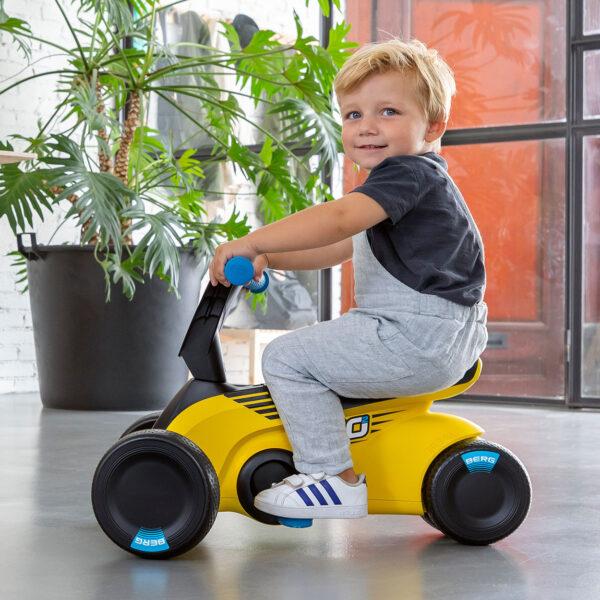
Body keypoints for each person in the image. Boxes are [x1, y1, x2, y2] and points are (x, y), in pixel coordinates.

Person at [208, 39, 488, 521]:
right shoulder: (402, 189)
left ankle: (331, 477)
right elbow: (338, 248)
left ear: (434, 126)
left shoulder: (410, 173)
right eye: (353, 115)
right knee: (304, 353)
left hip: (414, 336)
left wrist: (251, 240)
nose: (367, 127)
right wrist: (269, 257)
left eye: (388, 111)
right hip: (429, 334)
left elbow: (338, 221)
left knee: (288, 358)